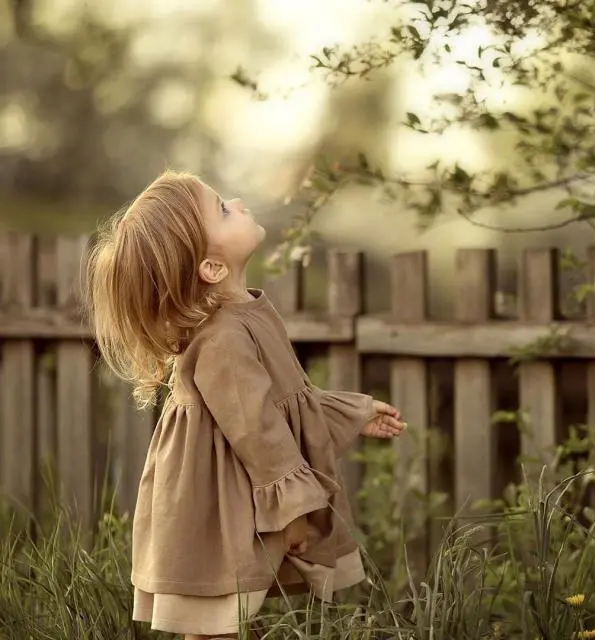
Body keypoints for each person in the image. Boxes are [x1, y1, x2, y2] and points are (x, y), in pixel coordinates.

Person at [84, 170, 405, 640]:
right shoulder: (223, 339)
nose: (237, 202)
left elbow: (282, 402)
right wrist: (293, 508)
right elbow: (257, 428)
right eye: (222, 210)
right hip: (217, 498)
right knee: (216, 617)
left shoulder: (243, 315)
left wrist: (354, 412)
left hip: (236, 486)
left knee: (226, 616)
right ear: (211, 267)